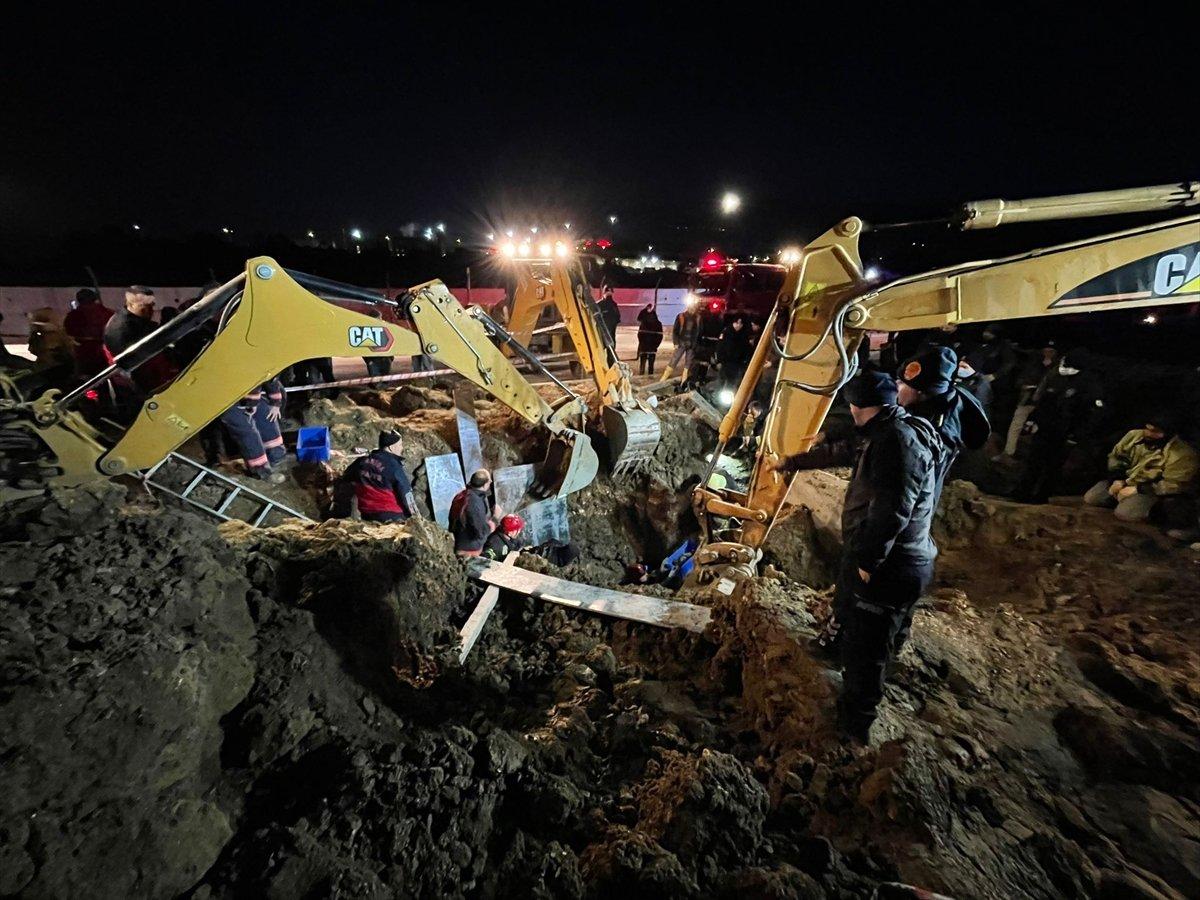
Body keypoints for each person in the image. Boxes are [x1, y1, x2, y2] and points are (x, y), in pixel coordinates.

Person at [781, 371, 943, 744]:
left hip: (891, 564)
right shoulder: (888, 430)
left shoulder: (895, 444)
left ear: (856, 405)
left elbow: (892, 511)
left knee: (866, 649)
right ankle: (845, 657)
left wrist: (869, 562)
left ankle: (854, 728)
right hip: (897, 557)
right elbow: (842, 452)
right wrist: (793, 462)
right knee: (868, 626)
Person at [896, 346, 989, 502]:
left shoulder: (938, 430)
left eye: (902, 383)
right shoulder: (936, 405)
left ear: (921, 390)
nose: (896, 387)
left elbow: (913, 489)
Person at [1013, 349, 1104, 503]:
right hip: (1045, 426)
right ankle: (1023, 490)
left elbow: (1090, 413)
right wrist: (1032, 420)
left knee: (1052, 465)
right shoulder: (1055, 376)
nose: (1063, 366)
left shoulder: (1088, 384)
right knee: (1033, 460)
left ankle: (1042, 495)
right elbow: (1043, 401)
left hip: (1065, 431)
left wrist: (1076, 435)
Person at [1083, 414, 1198, 526]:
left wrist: (1137, 489)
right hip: (1127, 480)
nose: (1148, 434)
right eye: (1147, 429)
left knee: (1125, 513)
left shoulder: (1182, 454)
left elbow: (1173, 485)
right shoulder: (1134, 435)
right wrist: (1117, 479)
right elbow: (1117, 457)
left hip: (1152, 491)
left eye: (1155, 432)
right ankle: (1123, 500)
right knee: (1092, 498)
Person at [102, 286, 177, 391]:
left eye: (151, 305)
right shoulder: (120, 329)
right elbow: (132, 364)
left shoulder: (137, 320)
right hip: (144, 380)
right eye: (144, 306)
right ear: (132, 304)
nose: (150, 310)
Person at [218, 378, 287, 483]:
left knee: (267, 415)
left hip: (249, 393)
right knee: (247, 432)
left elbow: (270, 378)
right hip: (226, 396)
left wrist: (275, 403)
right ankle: (261, 471)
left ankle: (277, 458)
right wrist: (251, 403)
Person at [342, 430, 417, 522]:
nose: (402, 448)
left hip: (367, 513)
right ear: (391, 447)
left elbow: (346, 477)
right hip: (392, 515)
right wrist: (416, 516)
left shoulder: (361, 461)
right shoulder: (394, 466)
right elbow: (405, 493)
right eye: (400, 445)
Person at [63, 288, 115, 378]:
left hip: (84, 354)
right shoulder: (108, 313)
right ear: (95, 298)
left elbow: (69, 332)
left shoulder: (72, 316)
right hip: (108, 351)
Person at [450, 468, 502, 557]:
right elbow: (481, 532)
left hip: (459, 541)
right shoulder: (474, 503)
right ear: (485, 484)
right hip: (468, 550)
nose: (490, 483)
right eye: (489, 481)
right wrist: (495, 518)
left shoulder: (462, 495)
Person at [26, 308, 75, 377]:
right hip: (51, 369)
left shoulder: (58, 335)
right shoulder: (58, 334)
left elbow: (32, 349)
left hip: (53, 368)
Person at [661, 302, 699, 385]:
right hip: (682, 342)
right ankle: (664, 378)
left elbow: (698, 331)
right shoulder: (681, 316)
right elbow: (675, 330)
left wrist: (694, 344)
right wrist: (676, 342)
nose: (693, 310)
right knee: (674, 360)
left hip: (691, 344)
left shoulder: (697, 318)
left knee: (688, 363)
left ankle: (684, 381)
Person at [716, 315, 754, 390]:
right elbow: (720, 347)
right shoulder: (726, 332)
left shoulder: (744, 335)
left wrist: (744, 361)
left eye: (740, 324)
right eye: (736, 323)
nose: (738, 325)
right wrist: (719, 360)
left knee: (732, 383)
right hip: (725, 362)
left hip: (737, 364)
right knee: (721, 382)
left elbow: (746, 349)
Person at [636, 302, 664, 375]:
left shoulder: (643, 323)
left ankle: (641, 374)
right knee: (651, 364)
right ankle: (650, 375)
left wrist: (641, 343)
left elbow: (639, 334)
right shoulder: (658, 324)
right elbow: (660, 336)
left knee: (642, 362)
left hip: (644, 347)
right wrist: (656, 345)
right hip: (652, 347)